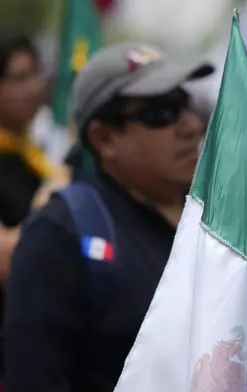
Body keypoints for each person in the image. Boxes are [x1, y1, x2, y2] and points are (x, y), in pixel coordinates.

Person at [4, 42, 214, 391]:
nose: (191, 127)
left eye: (186, 106)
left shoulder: (215, 224)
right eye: (161, 113)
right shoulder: (61, 234)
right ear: (104, 139)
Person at [0, 32, 64, 283]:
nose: (33, 88)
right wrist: (47, 206)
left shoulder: (35, 156)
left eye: (36, 74)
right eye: (19, 78)